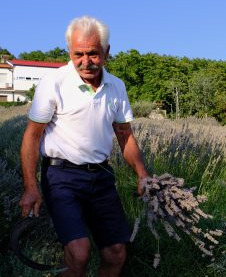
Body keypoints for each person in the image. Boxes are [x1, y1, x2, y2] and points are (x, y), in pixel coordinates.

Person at [19, 15, 149, 276]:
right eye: (79, 54)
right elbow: (32, 137)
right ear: (69, 51)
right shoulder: (53, 83)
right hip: (61, 176)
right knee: (79, 254)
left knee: (116, 254)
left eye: (93, 53)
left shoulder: (116, 87)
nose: (86, 61)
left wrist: (143, 175)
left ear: (107, 52)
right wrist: (31, 187)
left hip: (101, 177)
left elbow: (125, 135)